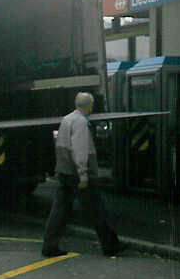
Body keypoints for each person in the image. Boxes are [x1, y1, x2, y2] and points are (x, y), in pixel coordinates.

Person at [41, 92, 126, 257]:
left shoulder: (67, 119)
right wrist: (83, 175)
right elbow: (80, 151)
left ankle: (49, 246)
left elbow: (61, 145)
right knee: (97, 209)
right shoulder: (80, 122)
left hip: (65, 171)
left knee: (59, 211)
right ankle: (111, 246)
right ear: (89, 105)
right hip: (76, 174)